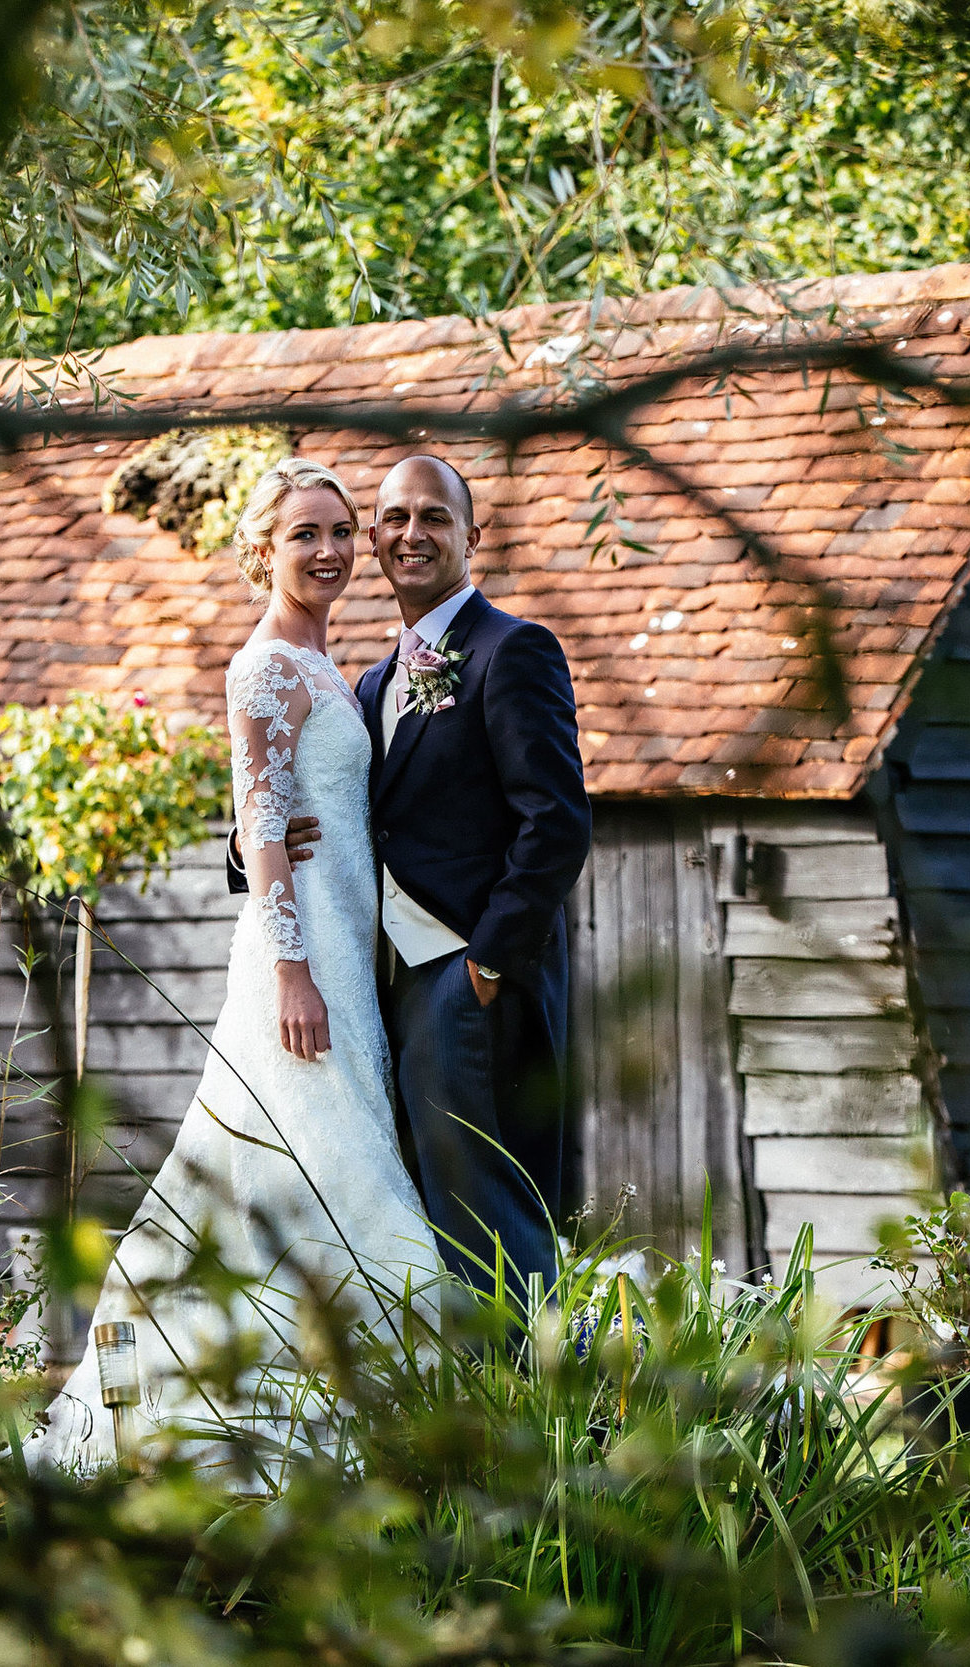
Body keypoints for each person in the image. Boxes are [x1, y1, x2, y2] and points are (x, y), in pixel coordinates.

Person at [26, 459, 441, 1475]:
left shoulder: (331, 667)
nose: (333, 549)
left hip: (348, 949)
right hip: (297, 965)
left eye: (343, 530)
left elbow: (311, 807)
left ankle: (288, 1389)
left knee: (270, 1170)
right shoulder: (263, 667)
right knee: (328, 1166)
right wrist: (293, 972)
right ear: (263, 549)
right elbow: (259, 822)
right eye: (306, 533)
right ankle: (333, 1410)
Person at [235, 455, 592, 1313]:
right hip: (378, 988)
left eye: (434, 517)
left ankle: (533, 1411)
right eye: (392, 518)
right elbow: (293, 799)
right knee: (419, 1210)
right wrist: (255, 846)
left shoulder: (515, 651)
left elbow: (558, 822)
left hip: (463, 978)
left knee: (488, 1210)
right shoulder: (369, 681)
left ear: (474, 535)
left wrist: (488, 966)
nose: (410, 534)